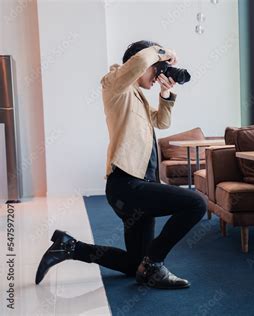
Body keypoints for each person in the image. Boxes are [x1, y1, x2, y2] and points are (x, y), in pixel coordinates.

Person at [35, 40, 207, 289]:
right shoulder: (115, 84)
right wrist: (165, 53)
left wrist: (165, 95)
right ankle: (154, 264)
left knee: (134, 263)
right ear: (141, 63)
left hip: (143, 184)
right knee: (196, 203)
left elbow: (161, 122)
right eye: (156, 67)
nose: (158, 73)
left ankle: (69, 247)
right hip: (126, 185)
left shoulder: (139, 98)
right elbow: (137, 63)